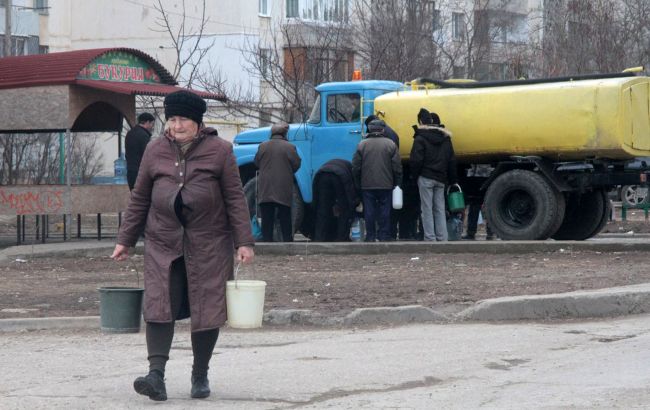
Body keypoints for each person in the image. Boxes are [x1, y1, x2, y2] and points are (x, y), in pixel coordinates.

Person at [111, 90, 255, 402]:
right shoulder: (155, 150)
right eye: (172, 119)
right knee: (159, 305)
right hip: (163, 240)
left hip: (209, 242)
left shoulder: (220, 151)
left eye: (183, 120)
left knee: (206, 307)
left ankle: (200, 372)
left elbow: (235, 198)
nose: (176, 125)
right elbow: (140, 199)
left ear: (198, 122)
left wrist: (243, 241)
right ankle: (156, 376)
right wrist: (126, 239)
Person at [409, 108, 457, 241]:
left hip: (425, 177)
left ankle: (430, 238)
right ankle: (443, 237)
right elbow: (451, 160)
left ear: (420, 121)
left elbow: (416, 160)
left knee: (427, 209)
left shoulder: (420, 138)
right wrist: (452, 179)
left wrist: (415, 176)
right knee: (440, 209)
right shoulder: (446, 139)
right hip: (441, 178)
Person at [352, 119, 402, 242]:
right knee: (384, 211)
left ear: (369, 129)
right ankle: (383, 235)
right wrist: (398, 183)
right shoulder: (391, 144)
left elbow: (356, 167)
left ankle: (370, 236)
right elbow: (397, 167)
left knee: (369, 211)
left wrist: (357, 183)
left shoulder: (362, 145)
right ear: (383, 130)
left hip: (367, 184)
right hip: (386, 184)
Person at [254, 121, 301, 242]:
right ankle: (287, 241)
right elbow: (296, 164)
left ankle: (267, 242)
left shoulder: (262, 146)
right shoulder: (290, 147)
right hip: (283, 186)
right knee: (285, 216)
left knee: (266, 217)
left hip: (265, 187)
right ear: (285, 133)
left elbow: (256, 162)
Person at [312, 159, 359, 241]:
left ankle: (319, 238)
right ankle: (342, 238)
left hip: (322, 175)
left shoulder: (335, 163)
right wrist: (353, 203)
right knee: (344, 209)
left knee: (322, 210)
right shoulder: (350, 169)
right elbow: (350, 191)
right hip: (339, 176)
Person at [125, 112, 155, 190]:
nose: (152, 127)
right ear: (147, 122)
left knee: (135, 198)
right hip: (141, 174)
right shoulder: (144, 136)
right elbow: (148, 156)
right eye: (152, 124)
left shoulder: (130, 134)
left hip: (130, 173)